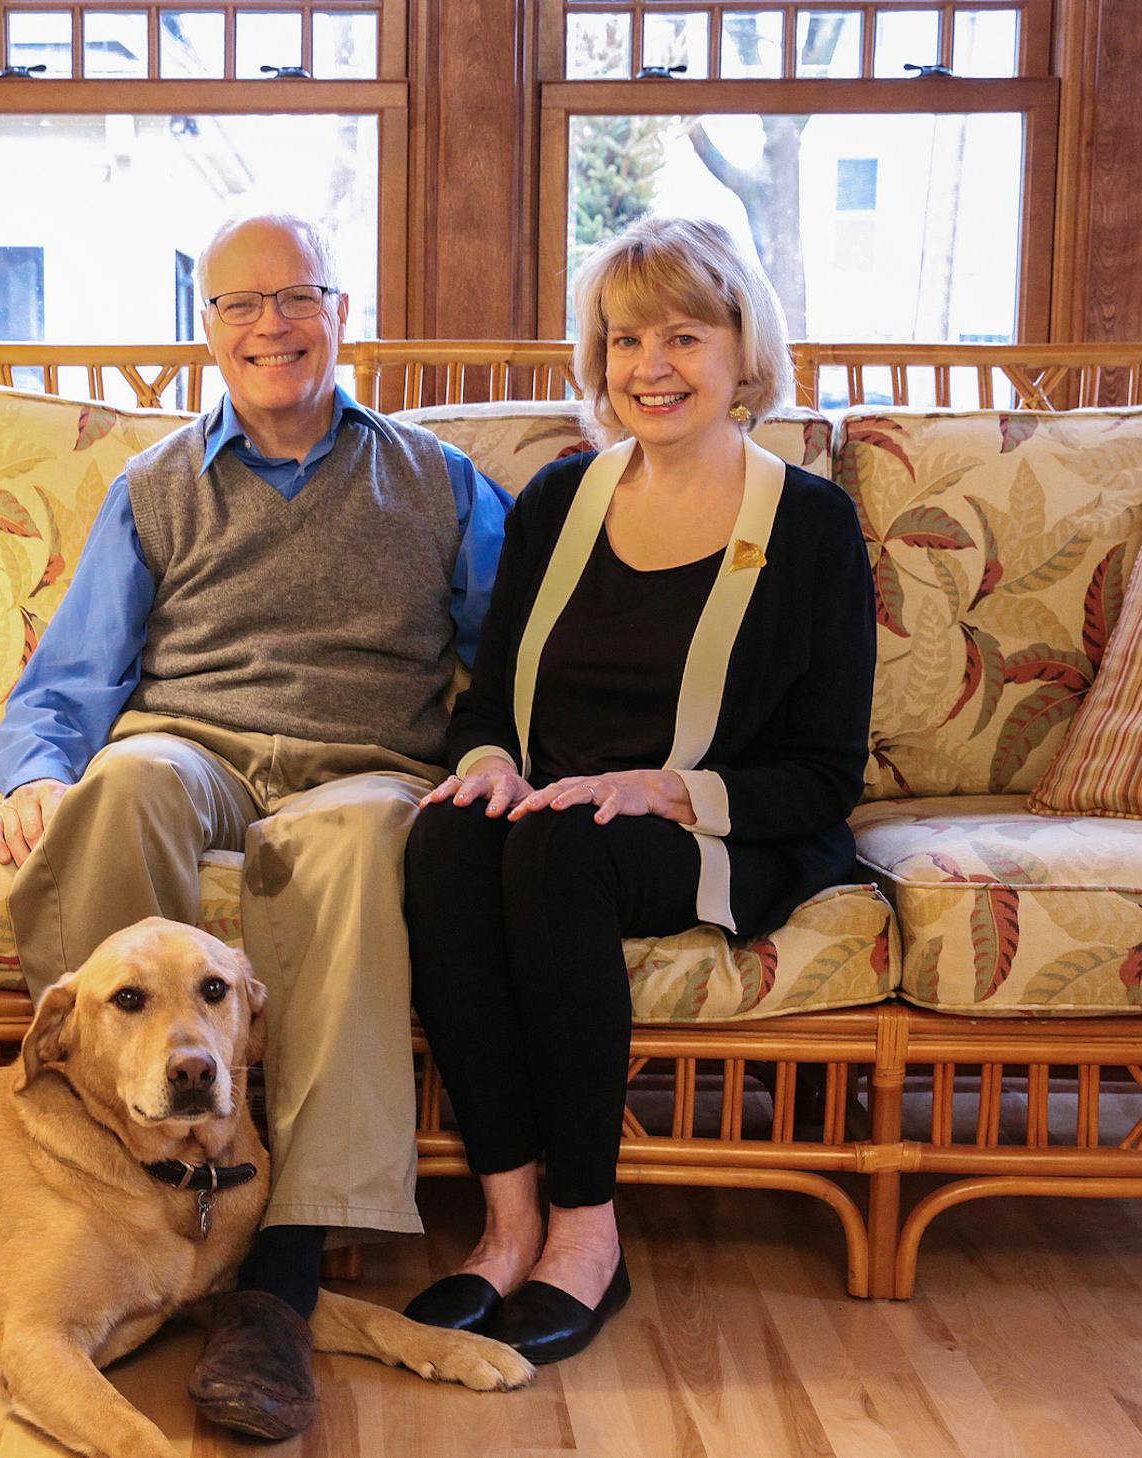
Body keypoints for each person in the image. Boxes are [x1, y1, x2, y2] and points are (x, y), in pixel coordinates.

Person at [0, 211, 510, 1440]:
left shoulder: (436, 480)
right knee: (125, 782)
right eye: (240, 306)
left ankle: (278, 1274)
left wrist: (491, 748)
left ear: (342, 315)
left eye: (297, 299)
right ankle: (98, 1172)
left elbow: (506, 661)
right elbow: (75, 675)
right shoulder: (156, 486)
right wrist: (34, 771)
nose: (271, 326)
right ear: (205, 331)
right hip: (198, 744)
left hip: (363, 760)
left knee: (366, 840)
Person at [399, 216, 875, 1363]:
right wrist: (492, 768)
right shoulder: (561, 502)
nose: (649, 367)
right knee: (451, 843)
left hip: (715, 832)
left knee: (558, 851)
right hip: (556, 818)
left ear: (741, 348)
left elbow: (823, 775)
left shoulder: (810, 524)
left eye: (683, 336)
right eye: (624, 340)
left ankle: (586, 1234)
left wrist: (665, 791)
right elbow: (485, 713)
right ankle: (506, 1226)